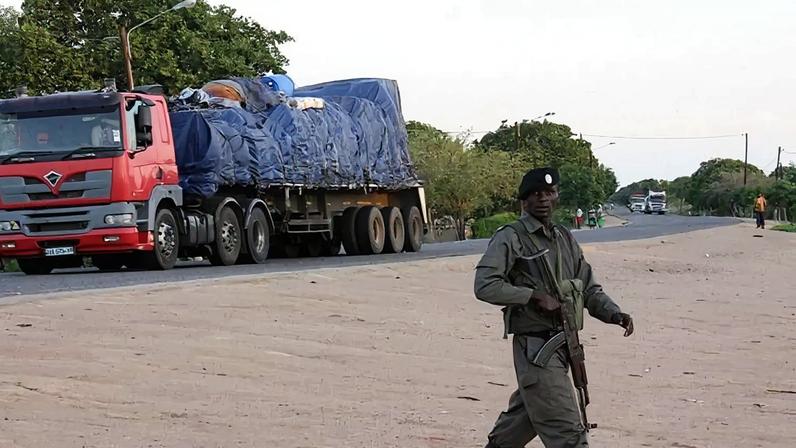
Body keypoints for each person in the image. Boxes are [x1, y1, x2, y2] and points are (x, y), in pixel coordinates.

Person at [474, 167, 634, 448]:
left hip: (564, 343)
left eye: (549, 193)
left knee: (517, 426)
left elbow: (587, 286)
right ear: (524, 201)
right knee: (568, 435)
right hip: (536, 350)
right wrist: (532, 296)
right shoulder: (511, 237)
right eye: (536, 194)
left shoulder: (563, 237)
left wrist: (613, 313)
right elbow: (485, 285)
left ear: (557, 195)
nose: (544, 200)